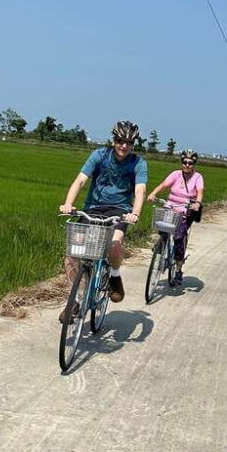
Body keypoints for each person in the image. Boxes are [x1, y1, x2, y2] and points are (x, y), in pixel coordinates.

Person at [58, 120, 147, 321]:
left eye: (129, 142)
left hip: (120, 211)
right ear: (113, 140)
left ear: (134, 144)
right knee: (72, 254)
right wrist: (68, 204)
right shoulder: (99, 155)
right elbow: (80, 180)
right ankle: (74, 301)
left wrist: (135, 212)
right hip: (93, 209)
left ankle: (114, 275)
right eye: (120, 140)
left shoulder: (138, 163)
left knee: (114, 245)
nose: (124, 146)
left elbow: (140, 190)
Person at [147, 149, 204, 285]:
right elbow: (163, 185)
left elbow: (200, 191)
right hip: (170, 206)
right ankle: (161, 243)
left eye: (190, 163)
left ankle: (178, 270)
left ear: (194, 164)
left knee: (178, 237)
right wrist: (153, 194)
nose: (187, 165)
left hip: (186, 210)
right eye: (185, 162)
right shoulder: (176, 174)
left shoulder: (198, 177)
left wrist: (197, 203)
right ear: (182, 163)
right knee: (163, 227)